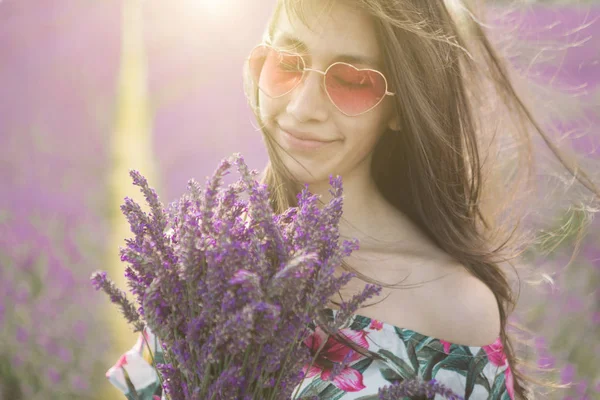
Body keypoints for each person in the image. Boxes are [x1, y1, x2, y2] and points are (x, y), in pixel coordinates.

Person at [106, 0, 599, 399]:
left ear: (400, 108)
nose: (303, 109)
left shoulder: (454, 312)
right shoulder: (204, 262)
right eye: (288, 65)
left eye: (351, 81)